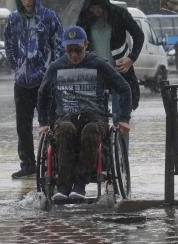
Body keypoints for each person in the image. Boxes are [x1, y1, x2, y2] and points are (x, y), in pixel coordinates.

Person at [38, 26, 132, 200]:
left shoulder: (99, 64)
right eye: (70, 50)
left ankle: (80, 185)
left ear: (86, 45)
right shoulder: (56, 67)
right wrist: (43, 122)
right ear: (65, 49)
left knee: (90, 131)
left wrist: (124, 118)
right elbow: (42, 94)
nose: (74, 55)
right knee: (65, 130)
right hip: (66, 117)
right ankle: (63, 187)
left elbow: (124, 88)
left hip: (95, 117)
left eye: (78, 50)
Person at [4, 0, 63, 179]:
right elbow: (9, 43)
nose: (27, 2)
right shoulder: (13, 19)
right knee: (23, 125)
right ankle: (28, 163)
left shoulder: (49, 17)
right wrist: (15, 64)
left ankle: (53, 163)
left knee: (50, 122)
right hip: (21, 81)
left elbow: (58, 44)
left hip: (44, 81)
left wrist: (52, 69)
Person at [76, 0, 144, 152]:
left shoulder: (120, 15)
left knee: (120, 119)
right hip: (94, 77)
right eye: (92, 8)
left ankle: (122, 158)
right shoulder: (85, 19)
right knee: (96, 119)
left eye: (98, 7)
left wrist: (131, 58)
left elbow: (138, 35)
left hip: (120, 74)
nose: (95, 11)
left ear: (105, 4)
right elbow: (76, 42)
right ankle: (105, 158)